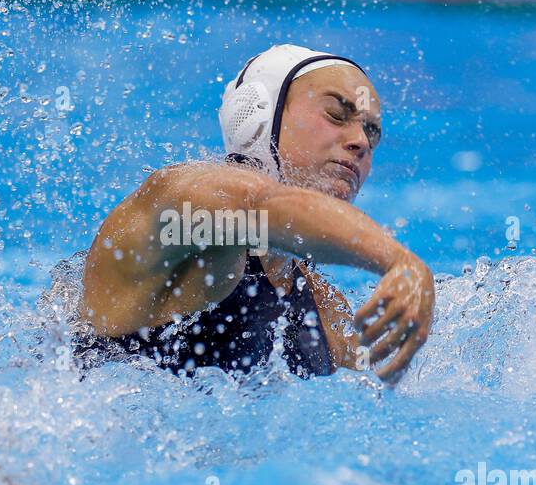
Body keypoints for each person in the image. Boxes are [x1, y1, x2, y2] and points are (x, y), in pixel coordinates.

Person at [72, 44, 436, 384]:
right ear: (260, 117)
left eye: (371, 132)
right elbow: (261, 208)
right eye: (337, 114)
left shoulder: (325, 312)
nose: (360, 141)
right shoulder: (181, 198)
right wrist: (397, 260)